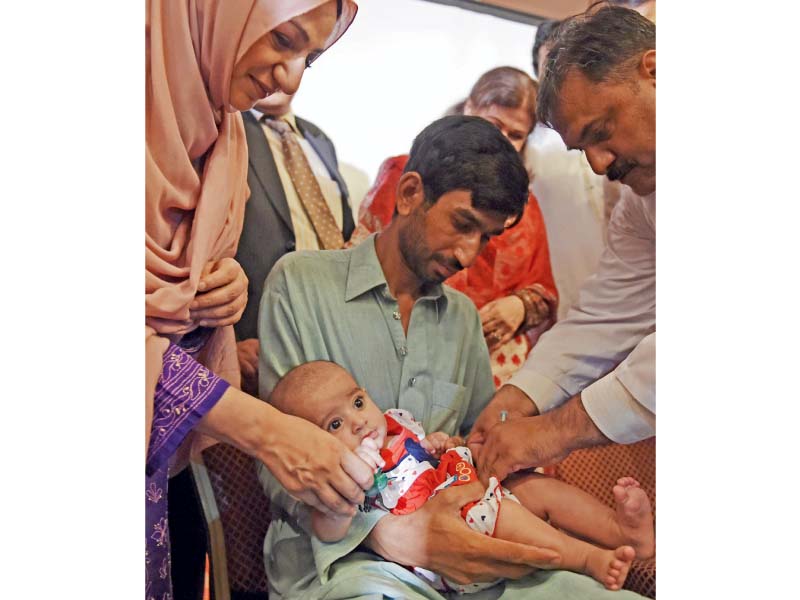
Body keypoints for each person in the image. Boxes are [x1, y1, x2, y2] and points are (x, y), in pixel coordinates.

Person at [258, 115, 647, 599]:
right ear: (409, 193)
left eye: (485, 238)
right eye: (463, 225)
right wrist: (395, 534)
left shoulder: (463, 317)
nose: (468, 254)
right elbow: (278, 460)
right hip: (349, 564)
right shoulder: (299, 286)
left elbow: (482, 456)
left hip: (474, 561)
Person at [145, 2, 373, 599]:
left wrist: (221, 288)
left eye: (311, 59)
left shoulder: (222, 132)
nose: (291, 78)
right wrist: (270, 433)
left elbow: (187, 271)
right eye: (283, 40)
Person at [469, 5, 656, 483]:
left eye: (601, 133)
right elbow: (606, 315)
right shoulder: (643, 199)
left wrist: (552, 431)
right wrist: (518, 396)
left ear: (655, 71)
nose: (598, 165)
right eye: (582, 149)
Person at [271, 360, 655, 592]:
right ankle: (585, 558)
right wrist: (339, 506)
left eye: (357, 403)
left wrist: (440, 443)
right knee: (505, 514)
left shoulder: (394, 422)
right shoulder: (338, 473)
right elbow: (329, 529)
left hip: (465, 487)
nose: (358, 423)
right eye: (335, 423)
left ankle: (622, 532)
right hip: (448, 543)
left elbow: (424, 452)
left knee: (537, 489)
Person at [349, 67, 558, 388]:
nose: (499, 142)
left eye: (514, 135)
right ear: (468, 108)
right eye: (493, 124)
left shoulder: (525, 208)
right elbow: (360, 264)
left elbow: (543, 291)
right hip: (396, 334)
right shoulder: (405, 173)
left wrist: (519, 307)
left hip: (486, 357)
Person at [234, 90, 355, 395]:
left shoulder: (318, 139)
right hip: (255, 346)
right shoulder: (226, 126)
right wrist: (224, 344)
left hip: (328, 343)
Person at [527, 19, 610, 321]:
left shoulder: (619, 137)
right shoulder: (527, 144)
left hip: (627, 295)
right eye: (551, 67)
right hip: (556, 308)